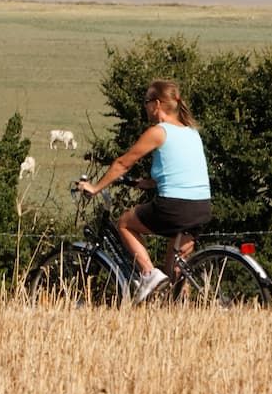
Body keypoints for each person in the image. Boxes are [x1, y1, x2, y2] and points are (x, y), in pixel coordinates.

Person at [75, 78, 212, 302]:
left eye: (147, 101)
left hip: (174, 207)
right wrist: (146, 183)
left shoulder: (159, 131)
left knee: (125, 223)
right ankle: (179, 307)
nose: (145, 107)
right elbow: (180, 172)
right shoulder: (191, 132)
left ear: (157, 104)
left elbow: (122, 163)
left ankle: (148, 274)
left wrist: (95, 187)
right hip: (201, 208)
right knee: (174, 267)